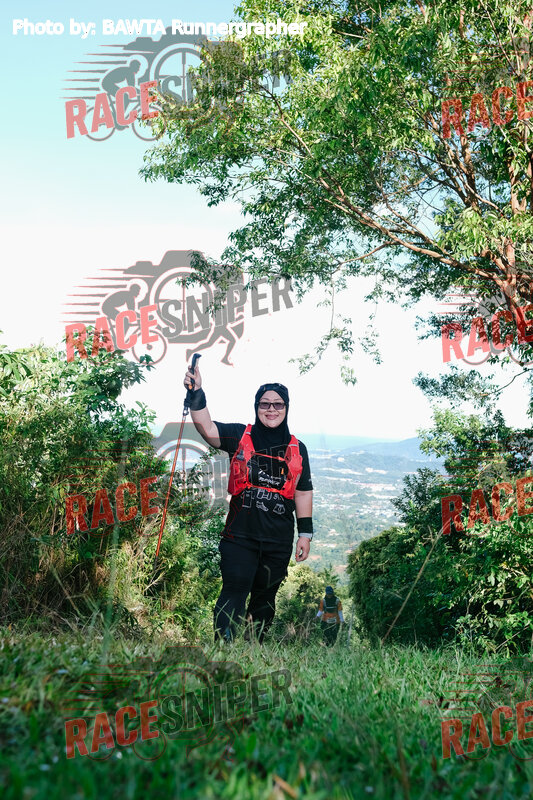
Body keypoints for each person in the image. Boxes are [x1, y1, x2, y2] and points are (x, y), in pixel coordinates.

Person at [184, 363, 314, 642]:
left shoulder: (298, 448)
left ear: (286, 408)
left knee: (265, 598)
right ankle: (224, 645)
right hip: (239, 537)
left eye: (278, 404)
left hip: (278, 541)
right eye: (265, 404)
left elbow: (303, 491)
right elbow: (207, 428)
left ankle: (253, 647)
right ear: (257, 407)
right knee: (235, 590)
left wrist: (305, 534)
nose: (271, 409)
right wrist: (196, 393)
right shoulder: (239, 435)